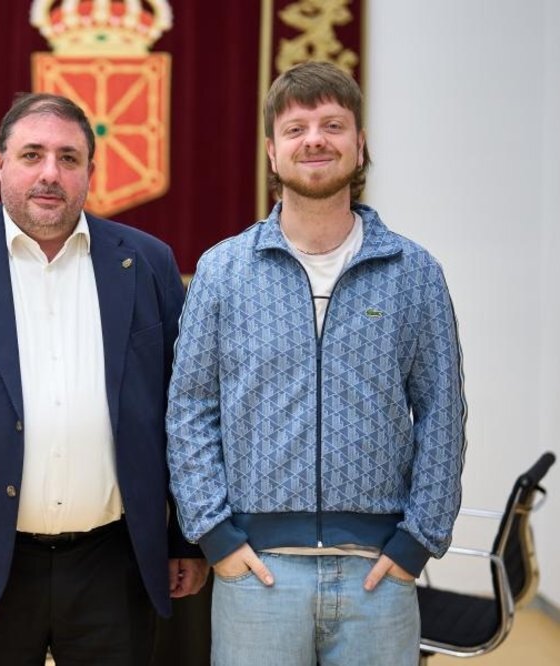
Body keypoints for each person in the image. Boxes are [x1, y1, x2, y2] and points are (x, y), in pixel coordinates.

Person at [0, 92, 208, 664]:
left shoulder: (148, 261)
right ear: (0, 164)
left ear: (90, 173)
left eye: (68, 158)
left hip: (115, 562)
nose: (50, 173)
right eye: (32, 155)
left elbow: (185, 414)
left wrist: (185, 540)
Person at [166, 61, 467, 666]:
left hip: (378, 577)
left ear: (361, 147)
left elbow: (443, 414)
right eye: (296, 127)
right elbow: (190, 409)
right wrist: (217, 537)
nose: (315, 139)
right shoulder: (223, 271)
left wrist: (418, 542)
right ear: (272, 153)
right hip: (257, 575)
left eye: (333, 124)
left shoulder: (414, 273)